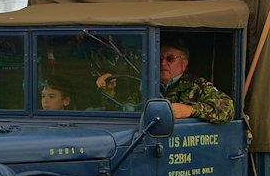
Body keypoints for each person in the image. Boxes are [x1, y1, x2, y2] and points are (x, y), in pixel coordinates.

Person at [97, 40, 234, 123]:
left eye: (170, 59)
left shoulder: (196, 86)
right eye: (160, 58)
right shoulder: (147, 86)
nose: (163, 63)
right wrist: (109, 93)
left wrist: (190, 110)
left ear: (184, 63)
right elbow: (127, 112)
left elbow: (227, 108)